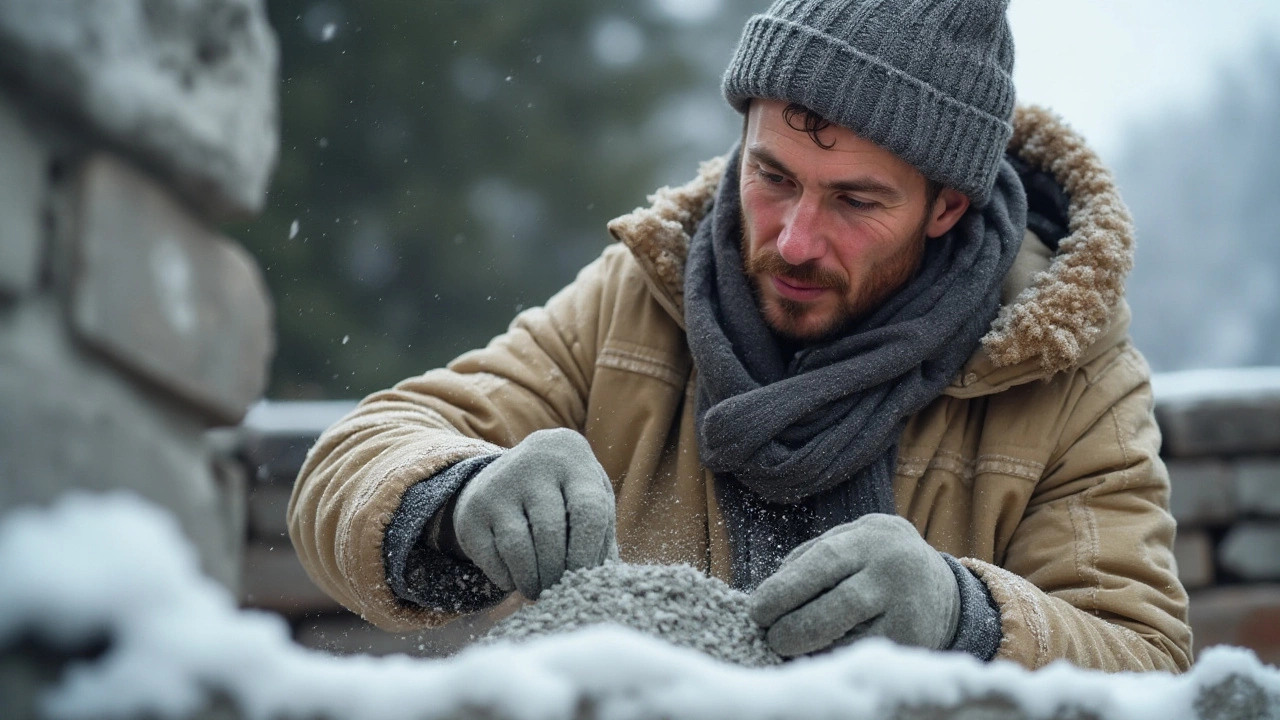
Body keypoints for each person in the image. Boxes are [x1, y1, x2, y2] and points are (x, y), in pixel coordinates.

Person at [288, 0, 1192, 672]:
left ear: (946, 205)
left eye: (855, 201)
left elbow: (1149, 665)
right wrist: (454, 498)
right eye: (772, 176)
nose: (795, 239)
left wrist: (968, 617)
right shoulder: (642, 298)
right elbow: (351, 461)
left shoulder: (1065, 374)